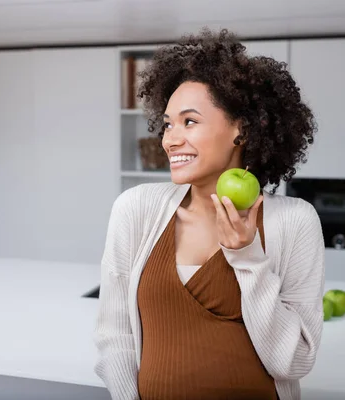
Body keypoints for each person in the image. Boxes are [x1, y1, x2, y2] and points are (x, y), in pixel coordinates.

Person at [94, 27, 325, 400]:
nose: (170, 139)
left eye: (189, 121)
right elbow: (114, 334)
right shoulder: (135, 209)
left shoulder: (295, 221)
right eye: (167, 124)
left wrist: (248, 257)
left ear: (242, 130)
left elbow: (294, 361)